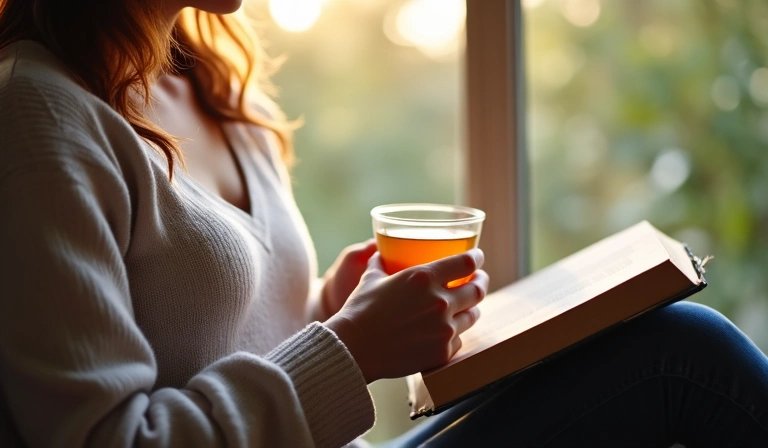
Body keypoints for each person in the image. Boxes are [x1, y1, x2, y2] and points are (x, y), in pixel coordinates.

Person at [0, 1, 765, 447]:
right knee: (679, 357)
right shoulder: (38, 114)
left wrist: (333, 307)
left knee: (668, 346)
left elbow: (227, 341)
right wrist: (351, 347)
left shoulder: (201, 76)